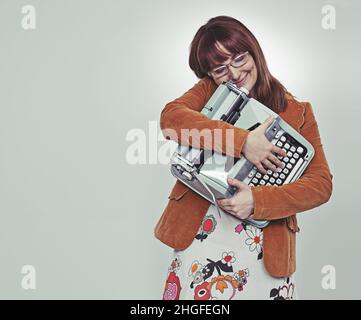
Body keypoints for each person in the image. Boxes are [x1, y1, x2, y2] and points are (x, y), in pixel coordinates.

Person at [154, 16, 333, 300]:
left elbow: (321, 184)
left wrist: (258, 201)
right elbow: (171, 119)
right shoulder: (209, 91)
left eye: (239, 58)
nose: (234, 73)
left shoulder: (298, 112)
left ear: (254, 51)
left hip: (266, 246)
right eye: (220, 68)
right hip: (203, 232)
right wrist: (243, 142)